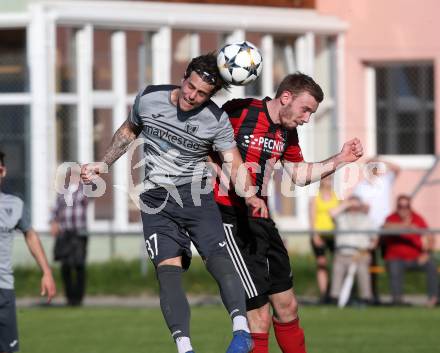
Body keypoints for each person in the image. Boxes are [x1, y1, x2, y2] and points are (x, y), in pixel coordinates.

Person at [81, 53, 268, 353]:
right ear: (184, 77)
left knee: (218, 259)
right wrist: (103, 164)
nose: (192, 96)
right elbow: (130, 130)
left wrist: (251, 196)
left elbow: (234, 163)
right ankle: (185, 348)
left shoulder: (216, 120)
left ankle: (241, 331)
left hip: (196, 196)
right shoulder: (149, 98)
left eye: (201, 94)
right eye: (190, 87)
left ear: (211, 96)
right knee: (167, 271)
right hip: (156, 200)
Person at [211, 72, 363, 353]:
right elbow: (202, 148)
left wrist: (340, 159)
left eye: (311, 113)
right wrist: (223, 176)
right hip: (229, 220)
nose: (307, 118)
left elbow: (299, 174)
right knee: (258, 316)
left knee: (288, 306)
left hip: (261, 220)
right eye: (305, 109)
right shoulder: (239, 111)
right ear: (285, 97)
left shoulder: (286, 132)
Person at [0, 150, 56, 353]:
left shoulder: (15, 205)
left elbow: (30, 235)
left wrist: (47, 272)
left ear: (3, 171)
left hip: (4, 289)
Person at [353, 158, 400, 302]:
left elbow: (397, 168)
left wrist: (378, 159)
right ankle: (372, 295)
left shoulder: (384, 181)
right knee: (369, 263)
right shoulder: (360, 187)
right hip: (369, 230)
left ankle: (395, 296)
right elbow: (356, 206)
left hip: (384, 228)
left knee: (391, 261)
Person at [382, 195, 438, 307]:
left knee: (431, 265)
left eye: (406, 206)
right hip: (395, 258)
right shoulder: (391, 218)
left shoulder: (418, 218)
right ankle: (397, 301)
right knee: (394, 266)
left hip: (416, 258)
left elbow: (430, 237)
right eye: (400, 206)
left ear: (410, 206)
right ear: (397, 207)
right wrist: (405, 226)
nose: (403, 209)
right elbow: (386, 227)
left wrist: (426, 253)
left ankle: (433, 299)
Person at [329, 196, 378, 304]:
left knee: (362, 272)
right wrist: (346, 204)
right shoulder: (341, 217)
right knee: (337, 272)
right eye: (352, 205)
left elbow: (374, 240)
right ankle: (335, 298)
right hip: (342, 253)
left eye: (356, 205)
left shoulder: (367, 219)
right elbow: (332, 213)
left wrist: (365, 251)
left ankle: (366, 298)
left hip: (361, 254)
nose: (354, 208)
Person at [50, 181, 88, 306]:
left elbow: (95, 188)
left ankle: (78, 298)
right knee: (65, 266)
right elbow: (55, 210)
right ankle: (70, 297)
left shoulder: (84, 190)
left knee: (79, 265)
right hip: (64, 234)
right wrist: (53, 222)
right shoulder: (62, 192)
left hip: (79, 233)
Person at [308, 176, 339, 303]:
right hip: (320, 235)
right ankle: (324, 293)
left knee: (337, 264)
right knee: (322, 264)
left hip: (334, 235)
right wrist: (315, 235)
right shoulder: (315, 198)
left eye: (330, 179)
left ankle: (334, 292)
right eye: (326, 179)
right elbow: (312, 218)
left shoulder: (335, 196)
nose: (328, 182)